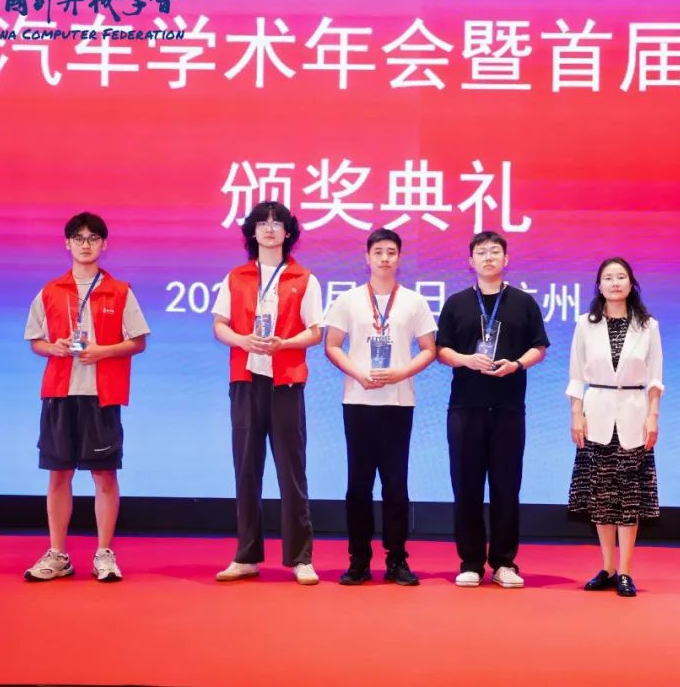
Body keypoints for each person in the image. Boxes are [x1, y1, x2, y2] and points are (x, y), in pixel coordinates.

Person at [23, 212, 150, 582]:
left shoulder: (120, 291)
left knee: (104, 474)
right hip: (59, 393)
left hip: (101, 395)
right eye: (78, 238)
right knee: (58, 474)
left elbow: (138, 341)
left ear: (104, 244)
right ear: (67, 244)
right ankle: (58, 554)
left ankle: (104, 553)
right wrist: (54, 348)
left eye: (93, 238)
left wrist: (103, 352)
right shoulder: (50, 291)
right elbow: (35, 341)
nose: (85, 244)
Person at [211, 201, 324, 585]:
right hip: (245, 380)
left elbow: (316, 332)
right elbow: (220, 325)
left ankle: (300, 558)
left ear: (288, 232)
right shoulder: (237, 276)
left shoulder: (304, 278)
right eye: (263, 222)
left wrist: (285, 344)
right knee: (246, 468)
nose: (270, 228)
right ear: (253, 231)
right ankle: (246, 556)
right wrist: (243, 340)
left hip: (286, 381)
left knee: (292, 470)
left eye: (278, 223)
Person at [324, 229, 438, 586]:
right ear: (367, 257)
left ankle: (397, 559)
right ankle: (358, 560)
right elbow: (332, 345)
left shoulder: (414, 302)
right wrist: (358, 373)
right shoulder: (347, 300)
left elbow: (430, 349)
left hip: (398, 402)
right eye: (378, 252)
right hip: (358, 400)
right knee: (358, 485)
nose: (385, 258)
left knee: (395, 484)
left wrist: (401, 372)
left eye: (391, 252)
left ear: (399, 258)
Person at [436, 231, 549, 588]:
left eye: (495, 252)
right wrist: (465, 359)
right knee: (466, 487)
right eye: (481, 252)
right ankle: (470, 562)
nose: (488, 257)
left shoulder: (523, 302)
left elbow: (539, 347)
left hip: (508, 408)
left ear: (506, 259)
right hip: (465, 408)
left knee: (506, 487)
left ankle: (504, 563)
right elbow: (441, 350)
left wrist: (517, 364)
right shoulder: (456, 303)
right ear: (470, 261)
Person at [567, 257, 664, 598]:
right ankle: (607, 567)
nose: (614, 283)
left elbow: (655, 378)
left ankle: (625, 571)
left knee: (629, 496)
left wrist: (653, 416)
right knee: (601, 495)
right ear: (599, 285)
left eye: (621, 277)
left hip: (635, 413)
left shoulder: (648, 325)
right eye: (608, 277)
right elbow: (576, 375)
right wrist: (576, 414)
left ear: (631, 283)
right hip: (597, 412)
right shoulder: (585, 324)